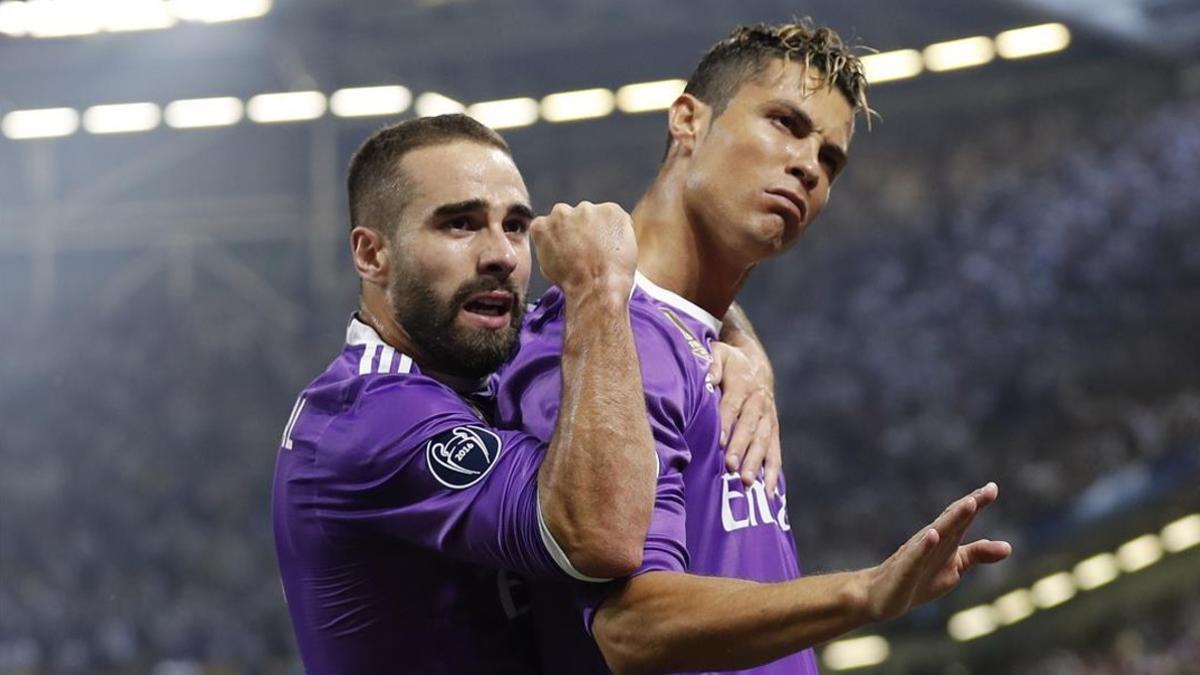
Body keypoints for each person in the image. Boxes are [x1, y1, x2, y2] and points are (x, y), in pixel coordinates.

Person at [494, 21, 1013, 674]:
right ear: (687, 120)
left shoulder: (710, 347)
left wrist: (736, 334)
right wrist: (863, 591)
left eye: (830, 159)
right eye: (786, 124)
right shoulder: (598, 341)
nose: (808, 167)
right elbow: (629, 625)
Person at [271, 114, 777, 674]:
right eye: (460, 224)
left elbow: (673, 287)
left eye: (514, 225)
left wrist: (742, 346)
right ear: (372, 255)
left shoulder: (498, 347)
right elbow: (601, 538)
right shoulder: (365, 420)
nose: (502, 256)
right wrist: (595, 288)